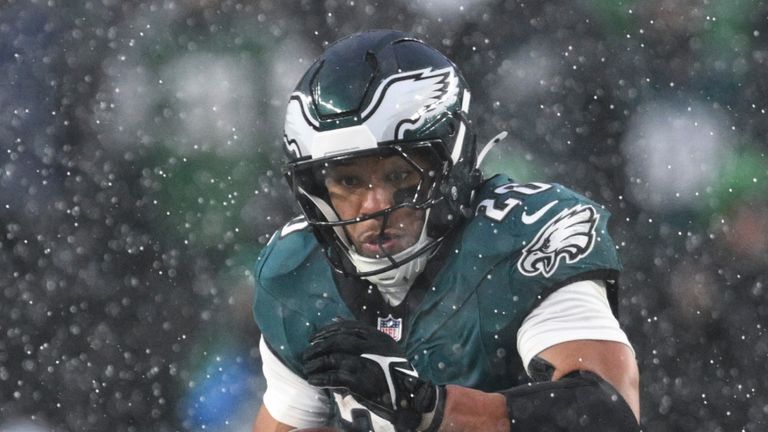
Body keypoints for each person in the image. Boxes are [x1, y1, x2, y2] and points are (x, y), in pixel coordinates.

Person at [252, 30, 640, 432]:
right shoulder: (298, 273)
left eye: (398, 174)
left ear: (448, 164)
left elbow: (607, 412)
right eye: (349, 183)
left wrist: (429, 408)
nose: (374, 207)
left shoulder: (520, 237)